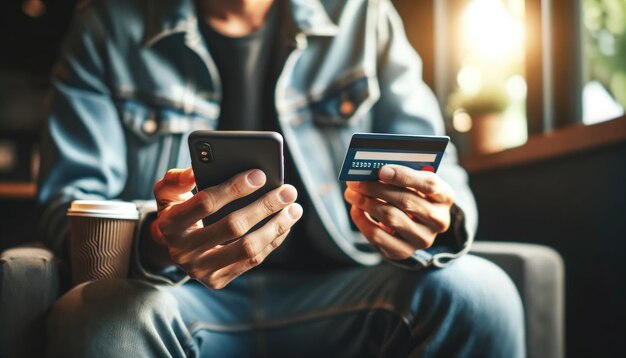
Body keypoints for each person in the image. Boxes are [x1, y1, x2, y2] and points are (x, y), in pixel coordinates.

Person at [38, 0, 525, 356]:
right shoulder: (106, 24)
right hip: (178, 301)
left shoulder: (363, 15)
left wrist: (437, 217)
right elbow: (70, 204)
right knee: (96, 319)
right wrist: (157, 242)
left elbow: (442, 174)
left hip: (345, 292)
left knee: (482, 294)